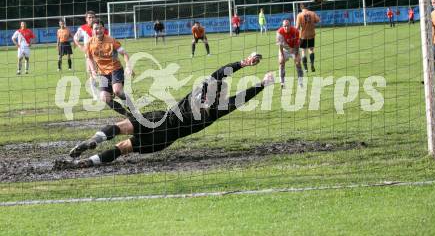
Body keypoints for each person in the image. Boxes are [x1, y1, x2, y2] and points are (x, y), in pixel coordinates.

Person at [55, 53, 274, 169]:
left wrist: (244, 63)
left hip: (159, 118)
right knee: (123, 148)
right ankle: (87, 162)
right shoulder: (215, 111)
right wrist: (262, 84)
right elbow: (240, 98)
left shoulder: (199, 91)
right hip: (164, 139)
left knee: (120, 127)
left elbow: (220, 73)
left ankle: (94, 139)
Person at [86, 19, 133, 116]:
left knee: (117, 91)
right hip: (102, 73)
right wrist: (93, 70)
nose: (98, 30)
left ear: (104, 29)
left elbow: (124, 54)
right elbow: (89, 58)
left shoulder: (111, 40)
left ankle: (133, 109)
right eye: (96, 29)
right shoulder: (89, 43)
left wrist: (128, 66)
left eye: (100, 28)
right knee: (104, 97)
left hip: (116, 69)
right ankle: (128, 115)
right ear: (92, 30)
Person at [73, 10, 100, 99]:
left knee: (103, 73)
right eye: (89, 17)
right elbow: (75, 38)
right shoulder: (82, 28)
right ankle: (95, 94)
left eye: (93, 17)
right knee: (92, 74)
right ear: (86, 19)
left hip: (101, 54)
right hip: (89, 55)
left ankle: (105, 91)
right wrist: (81, 47)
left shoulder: (99, 27)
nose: (91, 19)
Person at [277, 19, 303, 88]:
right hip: (284, 50)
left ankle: (300, 82)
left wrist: (296, 53)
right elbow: (280, 46)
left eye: (287, 26)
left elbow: (297, 44)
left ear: (290, 25)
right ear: (282, 26)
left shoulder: (295, 31)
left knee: (298, 63)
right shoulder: (279, 32)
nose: (286, 27)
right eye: (284, 26)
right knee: (281, 62)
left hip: (294, 49)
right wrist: (282, 56)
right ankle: (282, 82)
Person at [296, 3, 320, 73]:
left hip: (302, 36)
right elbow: (318, 20)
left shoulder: (299, 15)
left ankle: (306, 68)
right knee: (311, 50)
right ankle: (312, 64)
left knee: (303, 51)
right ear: (308, 7)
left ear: (301, 8)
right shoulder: (312, 13)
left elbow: (297, 27)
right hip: (311, 35)